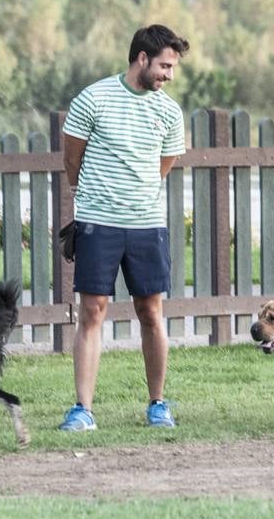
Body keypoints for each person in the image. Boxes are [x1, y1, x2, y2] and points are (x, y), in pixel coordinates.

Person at [57, 24, 189, 432]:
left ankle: (158, 405)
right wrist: (96, 198)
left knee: (151, 312)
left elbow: (162, 168)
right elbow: (72, 161)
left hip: (148, 225)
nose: (169, 75)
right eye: (165, 66)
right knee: (92, 312)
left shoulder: (168, 111)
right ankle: (83, 409)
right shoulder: (93, 98)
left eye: (173, 68)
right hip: (98, 223)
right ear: (142, 58)